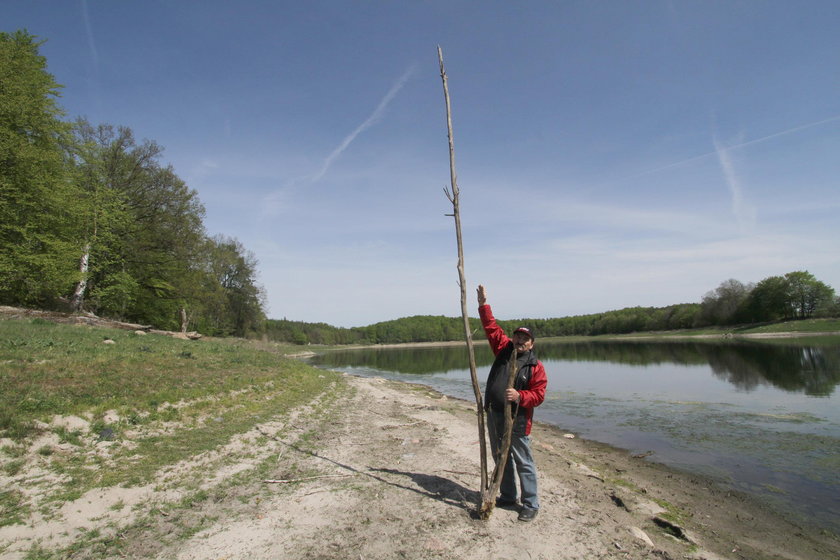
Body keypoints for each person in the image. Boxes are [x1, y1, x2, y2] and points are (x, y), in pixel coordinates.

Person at [477, 284, 547, 522]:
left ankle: (531, 503)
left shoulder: (535, 367)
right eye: (518, 336)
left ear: (531, 343)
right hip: (494, 414)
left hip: (517, 420)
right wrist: (483, 305)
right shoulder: (504, 350)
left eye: (525, 338)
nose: (519, 340)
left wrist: (520, 397)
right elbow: (491, 328)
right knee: (500, 456)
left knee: (523, 460)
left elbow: (538, 395)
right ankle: (508, 495)